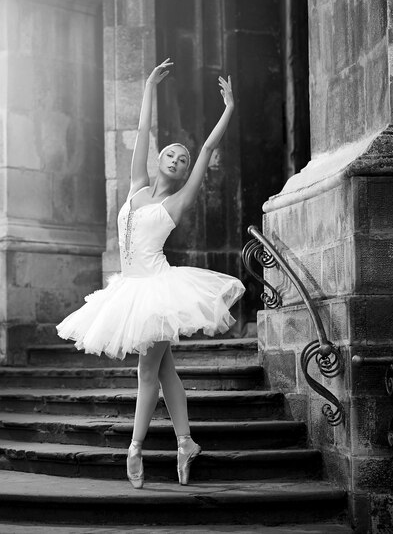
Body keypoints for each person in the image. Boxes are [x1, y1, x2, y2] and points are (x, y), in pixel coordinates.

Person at [56, 58, 245, 489]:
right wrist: (147, 88)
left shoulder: (176, 203)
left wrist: (229, 108)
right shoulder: (137, 186)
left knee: (146, 372)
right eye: (171, 154)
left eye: (182, 158)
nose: (177, 159)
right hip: (129, 289)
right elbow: (141, 135)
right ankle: (184, 443)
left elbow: (208, 151)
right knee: (164, 372)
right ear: (159, 159)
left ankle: (136, 447)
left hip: (158, 290)